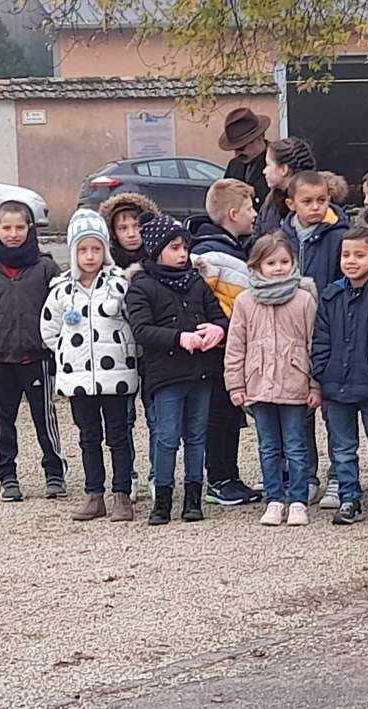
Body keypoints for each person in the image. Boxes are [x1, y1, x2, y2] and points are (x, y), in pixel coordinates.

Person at [125, 213, 229, 525]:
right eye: (175, 247)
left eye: (185, 247)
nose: (183, 253)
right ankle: (163, 500)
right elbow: (141, 330)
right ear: (157, 250)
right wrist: (178, 338)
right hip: (166, 374)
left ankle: (193, 498)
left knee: (197, 436)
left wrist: (219, 330)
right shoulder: (142, 286)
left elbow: (219, 316)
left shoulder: (196, 282)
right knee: (167, 437)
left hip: (201, 371)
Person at [0, 200, 66, 502]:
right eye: (6, 228)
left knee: (44, 418)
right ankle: (7, 474)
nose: (13, 234)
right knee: (3, 421)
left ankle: (54, 472)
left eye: (20, 227)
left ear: (30, 229)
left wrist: (59, 351)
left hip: (38, 357)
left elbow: (62, 310)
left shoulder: (46, 267)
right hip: (1, 359)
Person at [41, 209, 138, 522]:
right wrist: (68, 353)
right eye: (83, 249)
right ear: (73, 252)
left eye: (96, 248)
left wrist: (127, 350)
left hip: (116, 375)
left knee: (119, 436)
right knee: (88, 436)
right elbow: (49, 330)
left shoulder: (118, 284)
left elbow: (133, 321)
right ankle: (94, 493)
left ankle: (122, 493)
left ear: (105, 250)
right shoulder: (62, 289)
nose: (90, 256)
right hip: (79, 378)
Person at [224, 232, 320, 526]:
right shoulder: (245, 301)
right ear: (256, 265)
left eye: (284, 262)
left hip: (295, 384)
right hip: (259, 384)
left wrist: (315, 384)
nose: (278, 268)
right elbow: (235, 346)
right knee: (268, 446)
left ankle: (299, 500)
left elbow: (314, 344)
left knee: (296, 445)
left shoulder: (304, 299)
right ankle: (274, 499)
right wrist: (235, 384)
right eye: (271, 263)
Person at [311, 225, 368, 528]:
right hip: (336, 384)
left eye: (359, 255)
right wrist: (322, 370)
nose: (350, 261)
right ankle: (349, 497)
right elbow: (321, 338)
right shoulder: (331, 295)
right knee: (342, 448)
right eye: (346, 255)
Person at [280, 169, 350, 507]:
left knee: (333, 408)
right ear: (291, 204)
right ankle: (305, 475)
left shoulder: (340, 236)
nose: (315, 207)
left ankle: (339, 476)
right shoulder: (281, 237)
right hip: (291, 335)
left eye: (322, 200)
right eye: (307, 201)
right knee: (298, 408)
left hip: (330, 333)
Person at [190, 178, 261, 506]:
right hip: (218, 349)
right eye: (249, 208)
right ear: (233, 214)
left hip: (234, 344)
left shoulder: (235, 248)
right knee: (219, 414)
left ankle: (229, 476)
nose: (255, 214)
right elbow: (199, 298)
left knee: (231, 415)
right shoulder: (209, 254)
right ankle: (219, 479)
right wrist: (220, 327)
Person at [98, 191, 159, 500]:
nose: (132, 233)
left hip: (154, 351)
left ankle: (158, 472)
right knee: (122, 418)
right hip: (118, 353)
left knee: (157, 416)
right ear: (113, 232)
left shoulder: (159, 260)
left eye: (137, 226)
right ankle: (127, 474)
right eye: (123, 228)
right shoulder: (104, 269)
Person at [253, 137, 317, 242]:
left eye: (268, 165)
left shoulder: (316, 205)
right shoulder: (270, 203)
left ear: (284, 169)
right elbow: (256, 237)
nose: (264, 171)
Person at [220, 108, 272, 212]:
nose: (237, 154)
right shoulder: (234, 165)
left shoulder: (278, 161)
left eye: (241, 148)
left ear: (259, 138)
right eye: (234, 149)